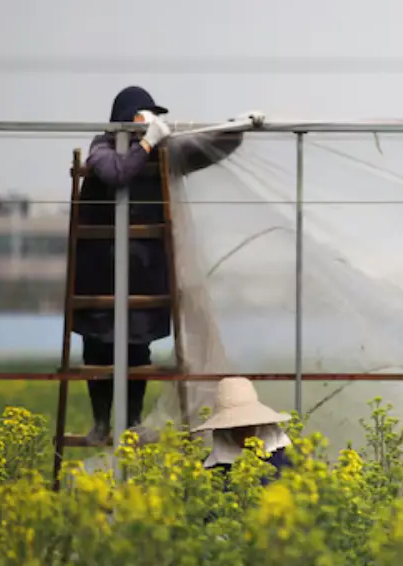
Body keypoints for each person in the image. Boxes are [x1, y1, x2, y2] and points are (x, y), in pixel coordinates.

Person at [74, 85, 264, 445]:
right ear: (127, 118)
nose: (152, 122)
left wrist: (235, 130)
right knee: (98, 348)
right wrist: (146, 143)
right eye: (144, 115)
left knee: (137, 348)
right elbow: (116, 173)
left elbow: (202, 150)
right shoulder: (103, 148)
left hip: (144, 274)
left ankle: (131, 421)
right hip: (99, 274)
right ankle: (101, 423)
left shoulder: (160, 153)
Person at [194, 377, 294, 485]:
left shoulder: (285, 458)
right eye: (235, 426)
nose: (242, 431)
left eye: (248, 425)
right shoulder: (211, 472)